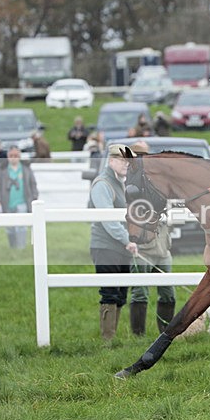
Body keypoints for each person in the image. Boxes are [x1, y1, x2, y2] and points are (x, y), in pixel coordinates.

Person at [89, 144, 139, 340]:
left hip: (121, 247)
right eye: (122, 160)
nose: (127, 164)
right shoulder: (102, 184)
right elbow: (108, 220)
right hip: (105, 247)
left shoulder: (121, 182)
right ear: (111, 161)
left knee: (120, 293)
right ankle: (107, 340)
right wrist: (127, 240)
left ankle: (112, 337)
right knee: (109, 292)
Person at [127, 141, 176, 336]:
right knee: (140, 292)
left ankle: (166, 332)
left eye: (144, 155)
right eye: (137, 155)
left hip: (162, 246)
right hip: (141, 247)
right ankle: (138, 335)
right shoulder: (131, 182)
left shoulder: (156, 180)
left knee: (168, 292)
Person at [0, 146, 39, 249]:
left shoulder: (26, 168)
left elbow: (33, 184)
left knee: (21, 226)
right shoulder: (2, 169)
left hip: (22, 201)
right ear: (8, 156)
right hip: (7, 201)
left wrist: (34, 198)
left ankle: (21, 247)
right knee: (10, 227)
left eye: (16, 155)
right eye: (11, 155)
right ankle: (13, 246)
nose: (13, 158)